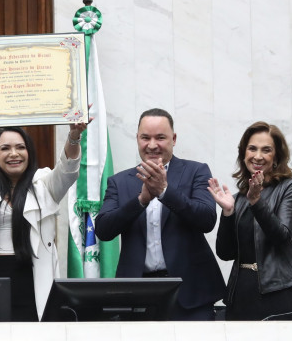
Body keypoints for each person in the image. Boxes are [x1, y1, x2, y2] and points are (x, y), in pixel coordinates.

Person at [0, 117, 89, 321]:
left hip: (33, 280)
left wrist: (74, 136)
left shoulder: (44, 185)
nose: (14, 154)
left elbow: (68, 171)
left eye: (20, 147)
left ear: (29, 152)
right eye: (5, 148)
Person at [95, 108, 225, 320]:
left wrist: (165, 192)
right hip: (137, 294)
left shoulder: (196, 171)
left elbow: (206, 219)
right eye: (145, 137)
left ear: (173, 139)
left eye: (160, 138)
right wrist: (141, 200)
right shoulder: (119, 181)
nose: (152, 145)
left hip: (191, 293)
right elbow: (103, 229)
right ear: (137, 139)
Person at [208, 121, 292, 320]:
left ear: (276, 156)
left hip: (281, 293)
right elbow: (225, 253)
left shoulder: (290, 188)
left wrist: (256, 201)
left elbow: (283, 237)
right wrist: (227, 213)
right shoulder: (238, 198)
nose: (258, 156)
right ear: (244, 154)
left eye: (266, 150)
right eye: (252, 148)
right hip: (241, 294)